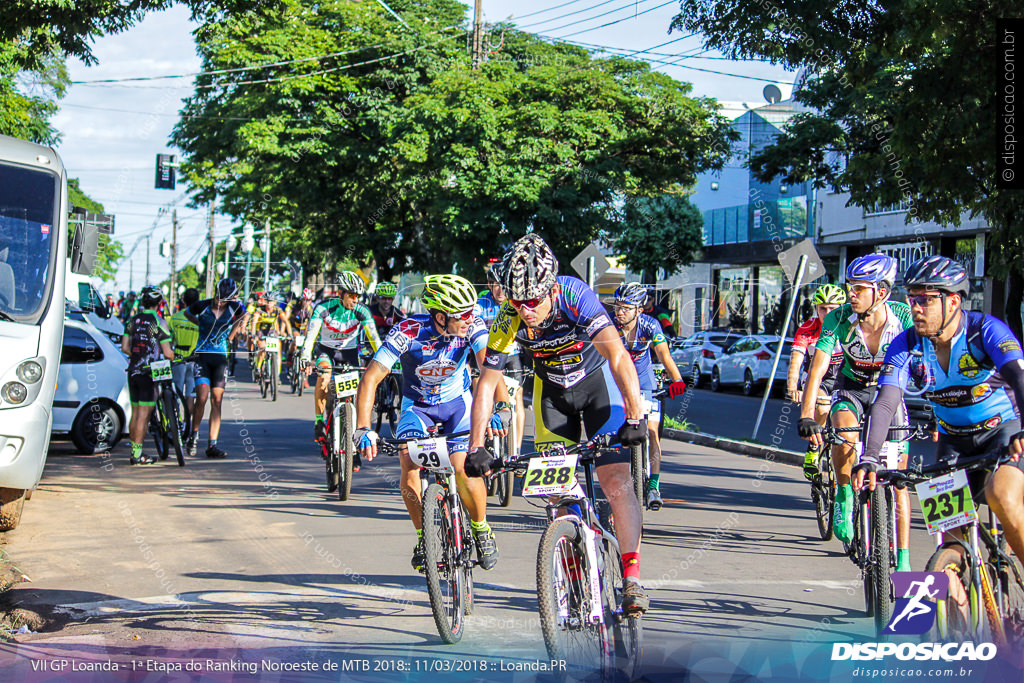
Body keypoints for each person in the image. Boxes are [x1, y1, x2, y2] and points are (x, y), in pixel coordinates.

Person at [464, 234, 651, 615]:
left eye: (533, 301)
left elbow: (617, 355)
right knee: (557, 495)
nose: (526, 310)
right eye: (518, 302)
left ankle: (631, 578)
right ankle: (573, 565)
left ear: (550, 288)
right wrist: (475, 446)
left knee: (615, 481)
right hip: (552, 397)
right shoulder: (510, 315)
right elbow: (486, 382)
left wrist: (636, 416)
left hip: (600, 390)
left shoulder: (575, 296)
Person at [853, 256, 1024, 565]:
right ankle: (954, 599)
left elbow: (1019, 377)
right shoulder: (907, 344)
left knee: (1002, 497)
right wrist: (869, 456)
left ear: (954, 301)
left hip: (1004, 432)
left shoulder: (984, 330)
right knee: (948, 546)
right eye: (912, 298)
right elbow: (887, 400)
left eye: (927, 299)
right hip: (953, 441)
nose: (916, 308)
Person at [355, 274, 508, 572]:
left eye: (471, 312)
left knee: (464, 466)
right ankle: (424, 536)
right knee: (408, 461)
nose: (469, 318)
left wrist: (500, 406)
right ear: (440, 316)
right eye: (461, 314)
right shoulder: (408, 331)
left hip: (458, 405)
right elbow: (371, 377)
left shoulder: (472, 326)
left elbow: (489, 366)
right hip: (418, 407)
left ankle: (481, 527)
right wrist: (363, 427)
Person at [798, 254, 914, 571]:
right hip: (853, 388)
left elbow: (927, 361)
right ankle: (845, 493)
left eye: (859, 289)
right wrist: (807, 413)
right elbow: (818, 369)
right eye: (850, 286)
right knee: (843, 431)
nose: (851, 294)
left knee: (899, 480)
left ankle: (903, 560)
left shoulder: (903, 316)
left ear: (882, 292)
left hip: (890, 392)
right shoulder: (838, 318)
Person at [611, 282, 688, 510]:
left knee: (653, 433)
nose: (620, 311)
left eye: (626, 307)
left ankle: (653, 485)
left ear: (639, 310)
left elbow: (663, 354)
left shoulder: (650, 325)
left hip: (644, 380)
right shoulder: (610, 326)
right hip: (619, 380)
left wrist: (677, 380)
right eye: (617, 306)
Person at [302, 271, 382, 449]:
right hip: (327, 352)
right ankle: (318, 421)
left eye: (358, 296)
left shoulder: (362, 311)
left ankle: (352, 445)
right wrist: (305, 357)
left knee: (352, 396)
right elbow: (311, 336)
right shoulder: (323, 308)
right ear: (340, 294)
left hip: (350, 354)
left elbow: (375, 340)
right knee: (323, 378)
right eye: (352, 296)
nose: (355, 300)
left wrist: (385, 361)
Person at [787, 284, 847, 479]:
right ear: (816, 309)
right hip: (818, 378)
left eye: (833, 308)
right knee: (822, 408)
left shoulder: (849, 325)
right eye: (823, 308)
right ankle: (814, 447)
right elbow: (795, 362)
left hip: (843, 377)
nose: (827, 313)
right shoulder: (808, 328)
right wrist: (792, 387)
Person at [185, 278, 247, 459]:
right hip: (202, 356)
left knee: (217, 400)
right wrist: (200, 326)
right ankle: (194, 436)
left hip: (220, 358)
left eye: (225, 299)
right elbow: (188, 313)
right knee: (202, 398)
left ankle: (212, 444)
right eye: (219, 297)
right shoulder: (202, 306)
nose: (220, 301)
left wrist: (232, 335)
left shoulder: (234, 308)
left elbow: (244, 316)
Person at [474, 260, 526, 454]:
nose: (501, 290)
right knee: (480, 389)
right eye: (497, 285)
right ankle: (482, 436)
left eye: (505, 285)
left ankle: (517, 449)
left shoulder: (516, 303)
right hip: (487, 358)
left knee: (517, 397)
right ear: (489, 285)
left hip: (511, 357)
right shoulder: (481, 304)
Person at [121, 286, 174, 465]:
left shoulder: (132, 321)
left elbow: (125, 348)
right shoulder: (159, 322)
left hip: (133, 370)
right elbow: (167, 353)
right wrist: (176, 356)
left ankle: (134, 451)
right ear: (159, 303)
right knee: (144, 414)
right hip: (150, 371)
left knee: (136, 413)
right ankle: (137, 455)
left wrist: (137, 355)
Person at [168, 287, 201, 422]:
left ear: (183, 301)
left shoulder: (175, 318)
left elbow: (169, 340)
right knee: (190, 395)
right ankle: (188, 424)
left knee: (177, 393)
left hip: (178, 359)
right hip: (194, 359)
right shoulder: (200, 319)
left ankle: (177, 422)